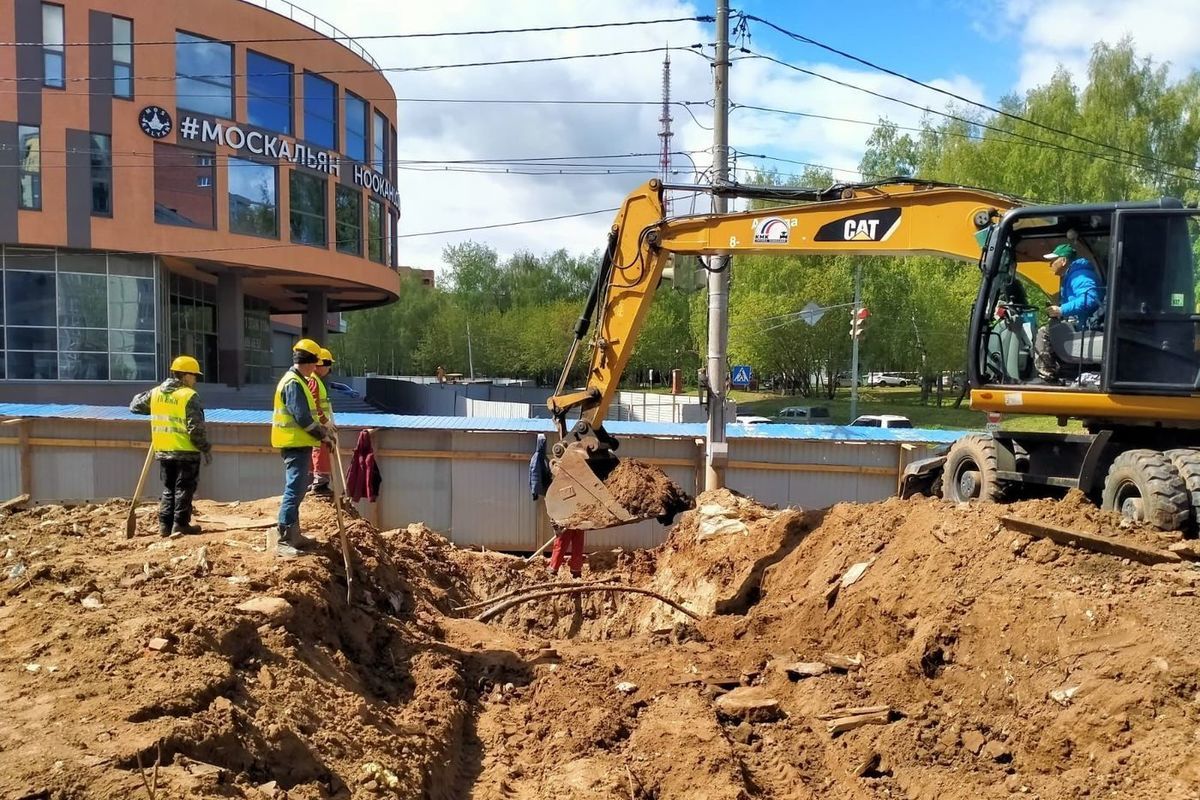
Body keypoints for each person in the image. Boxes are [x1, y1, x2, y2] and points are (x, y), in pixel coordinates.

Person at [129, 355, 211, 537]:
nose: (195, 380)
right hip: (185, 450)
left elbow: (134, 405)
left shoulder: (157, 393)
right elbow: (195, 428)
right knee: (184, 487)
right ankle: (180, 524)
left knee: (169, 488)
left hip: (164, 450)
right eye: (194, 376)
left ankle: (165, 526)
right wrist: (204, 447)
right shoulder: (189, 396)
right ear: (185, 375)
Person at [271, 338, 334, 558]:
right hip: (294, 443)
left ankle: (294, 534)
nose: (316, 367)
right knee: (294, 489)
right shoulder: (293, 383)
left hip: (299, 443)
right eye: (314, 363)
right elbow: (302, 418)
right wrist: (323, 434)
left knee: (297, 489)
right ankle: (285, 538)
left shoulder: (300, 381)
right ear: (308, 362)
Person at [1034, 243, 1104, 382]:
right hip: (1083, 324)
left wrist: (1061, 310)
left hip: (1085, 326)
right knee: (1053, 326)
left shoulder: (1079, 275)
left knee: (1044, 332)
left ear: (1063, 261)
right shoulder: (1074, 275)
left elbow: (1090, 299)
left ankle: (1047, 375)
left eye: (1053, 261)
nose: (1050, 265)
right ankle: (1061, 370)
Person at [308, 348, 336, 497]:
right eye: (327, 364)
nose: (328, 368)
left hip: (319, 424)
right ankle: (319, 484)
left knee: (321, 451)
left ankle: (320, 482)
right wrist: (325, 421)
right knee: (320, 452)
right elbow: (314, 405)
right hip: (317, 425)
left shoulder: (316, 380)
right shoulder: (314, 380)